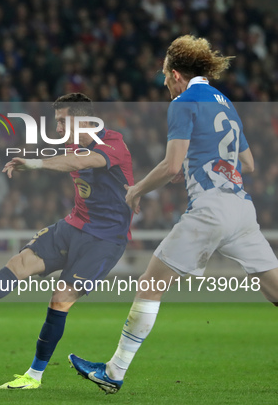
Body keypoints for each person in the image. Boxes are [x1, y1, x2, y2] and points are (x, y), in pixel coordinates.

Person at [69, 35, 278, 394]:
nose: (164, 82)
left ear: (177, 74)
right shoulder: (225, 102)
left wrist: (135, 190)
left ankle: (113, 372)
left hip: (210, 209)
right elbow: (249, 163)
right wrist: (207, 159)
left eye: (164, 76)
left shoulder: (183, 103)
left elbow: (171, 165)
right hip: (242, 209)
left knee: (150, 285)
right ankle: (112, 371)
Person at [0, 93, 134, 389]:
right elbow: (70, 160)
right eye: (57, 122)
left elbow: (82, 160)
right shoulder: (70, 143)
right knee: (18, 263)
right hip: (73, 225)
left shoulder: (113, 143)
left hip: (105, 240)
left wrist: (36, 163)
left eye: (64, 121)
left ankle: (34, 375)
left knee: (59, 299)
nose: (59, 128)